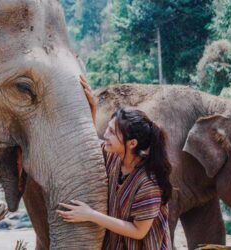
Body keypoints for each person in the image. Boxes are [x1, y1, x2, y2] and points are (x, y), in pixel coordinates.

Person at [57, 76, 172, 249]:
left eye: (112, 132)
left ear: (132, 143)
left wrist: (91, 215)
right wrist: (92, 108)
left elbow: (138, 231)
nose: (106, 135)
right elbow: (92, 144)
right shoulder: (114, 157)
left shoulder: (148, 184)